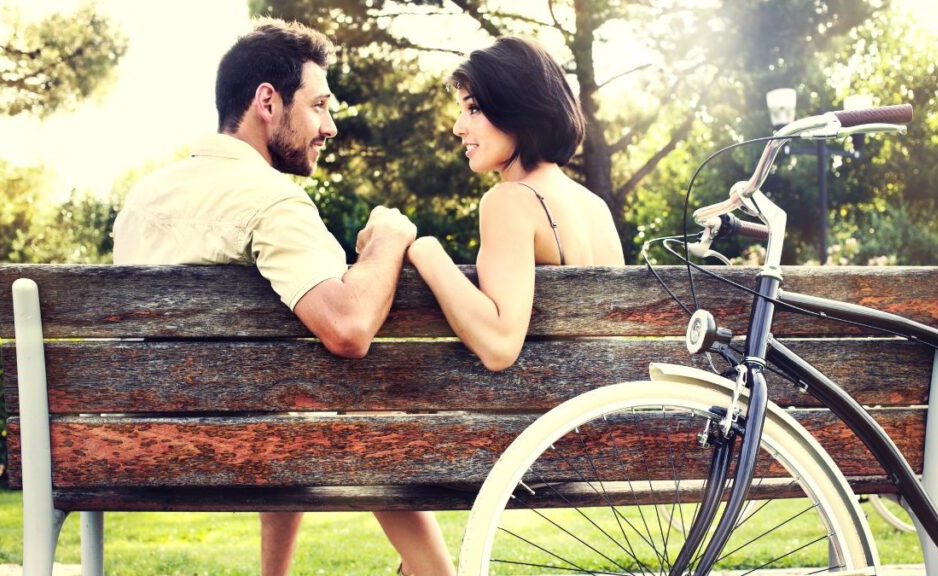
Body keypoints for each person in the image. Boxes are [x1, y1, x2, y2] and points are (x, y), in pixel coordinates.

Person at [112, 19, 454, 576]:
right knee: (345, 397)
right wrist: (389, 238)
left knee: (288, 392)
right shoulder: (272, 202)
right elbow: (348, 327)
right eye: (319, 106)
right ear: (267, 102)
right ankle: (437, 572)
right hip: (251, 446)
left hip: (135, 447)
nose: (330, 127)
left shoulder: (144, 196)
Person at [407, 37, 624, 371]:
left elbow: (499, 346)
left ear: (518, 110)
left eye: (473, 108)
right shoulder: (595, 207)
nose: (458, 127)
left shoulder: (510, 201)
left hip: (546, 414)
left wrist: (426, 251)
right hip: (610, 410)